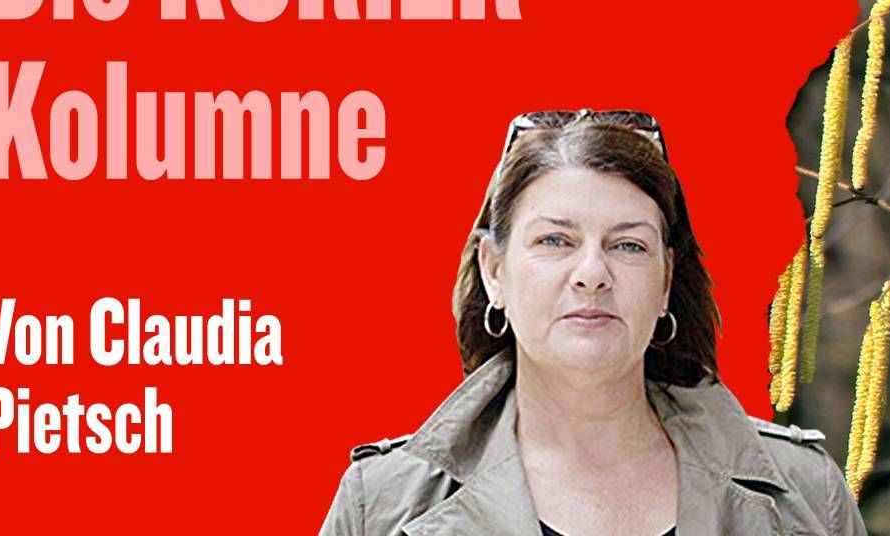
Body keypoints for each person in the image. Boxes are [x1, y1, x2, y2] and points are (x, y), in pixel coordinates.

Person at [321, 111, 862, 536]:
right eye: (555, 241)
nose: (591, 274)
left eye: (627, 245)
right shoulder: (384, 505)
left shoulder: (805, 495)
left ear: (666, 279)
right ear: (494, 272)